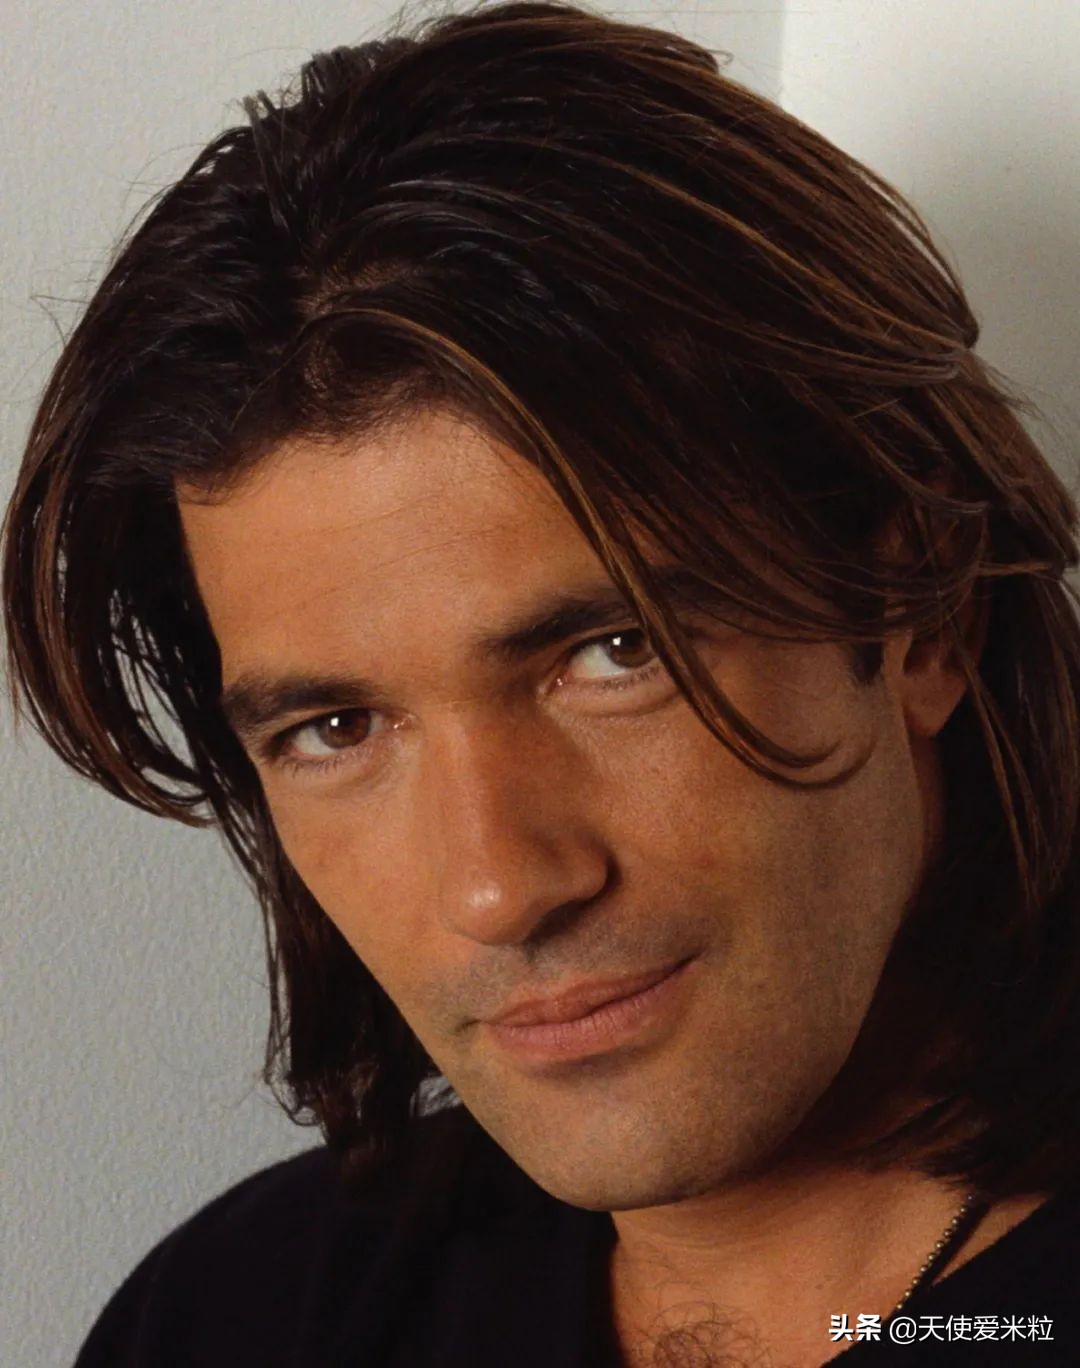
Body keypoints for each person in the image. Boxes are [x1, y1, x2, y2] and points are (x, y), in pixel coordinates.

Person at [4, 2, 1080, 1363]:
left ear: (922, 620)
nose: (498, 887)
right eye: (337, 727)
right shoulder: (239, 1315)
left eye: (613, 653)